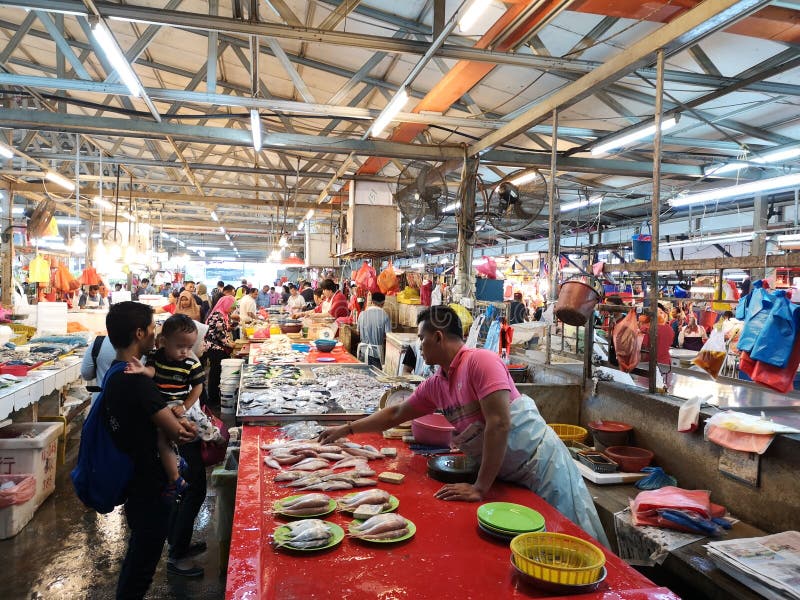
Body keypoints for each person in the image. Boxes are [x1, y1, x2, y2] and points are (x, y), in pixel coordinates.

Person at [320, 306, 607, 545]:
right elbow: (396, 413)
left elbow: (499, 423)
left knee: (571, 538)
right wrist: (347, 429)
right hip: (507, 476)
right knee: (528, 543)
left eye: (422, 339)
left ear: (438, 336)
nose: (419, 347)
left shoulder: (481, 361)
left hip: (541, 466)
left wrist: (480, 487)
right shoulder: (438, 383)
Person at [102, 302, 196, 598]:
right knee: (144, 556)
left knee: (141, 550)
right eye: (153, 327)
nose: (156, 332)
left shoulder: (116, 373)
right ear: (139, 332)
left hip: (133, 473)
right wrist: (188, 430)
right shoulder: (138, 383)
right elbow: (176, 430)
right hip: (149, 479)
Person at [125, 314, 222, 577]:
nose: (186, 352)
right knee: (190, 489)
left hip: (181, 415)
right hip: (170, 424)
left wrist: (186, 408)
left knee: (194, 488)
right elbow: (153, 377)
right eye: (181, 346)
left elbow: (197, 388)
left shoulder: (187, 362)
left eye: (189, 347)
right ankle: (177, 555)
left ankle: (180, 542)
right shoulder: (149, 363)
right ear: (159, 340)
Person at [203, 295, 235, 408]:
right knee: (215, 373)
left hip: (216, 347)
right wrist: (230, 343)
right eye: (232, 306)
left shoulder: (222, 314)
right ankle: (213, 399)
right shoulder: (218, 315)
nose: (232, 308)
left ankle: (215, 397)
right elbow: (219, 334)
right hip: (215, 349)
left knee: (216, 372)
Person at [357, 292, 392, 368]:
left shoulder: (361, 314)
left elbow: (358, 332)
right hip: (376, 354)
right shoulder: (385, 315)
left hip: (362, 352)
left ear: (372, 301)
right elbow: (389, 337)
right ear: (383, 303)